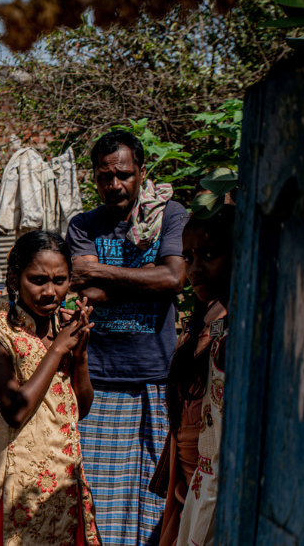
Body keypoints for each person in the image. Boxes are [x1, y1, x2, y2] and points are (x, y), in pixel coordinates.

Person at [66, 131, 188, 546]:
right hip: (99, 380)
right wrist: (146, 280)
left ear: (141, 172)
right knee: (97, 495)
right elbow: (86, 289)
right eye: (105, 176)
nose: (114, 185)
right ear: (94, 178)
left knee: (153, 497)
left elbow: (174, 277)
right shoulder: (83, 224)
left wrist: (102, 274)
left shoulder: (169, 216)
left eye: (124, 174)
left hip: (156, 376)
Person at [0, 230, 102, 546]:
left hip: (65, 477)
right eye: (38, 279)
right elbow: (14, 411)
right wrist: (57, 350)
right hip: (19, 479)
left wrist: (80, 354)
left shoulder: (65, 329)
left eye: (60, 280)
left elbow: (79, 409)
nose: (49, 291)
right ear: (15, 280)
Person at [152, 206, 233, 546]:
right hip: (192, 485)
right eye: (188, 257)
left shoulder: (234, 337)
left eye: (210, 255)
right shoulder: (206, 323)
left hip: (213, 495)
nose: (195, 269)